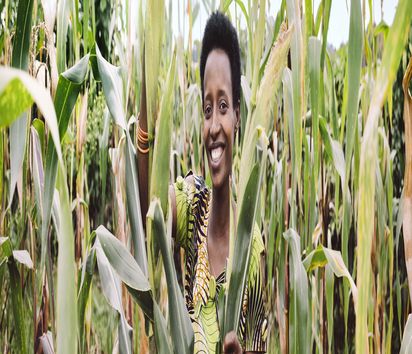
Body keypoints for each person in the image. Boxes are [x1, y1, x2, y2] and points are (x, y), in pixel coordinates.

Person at [138, 11, 267, 354]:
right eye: (207, 109)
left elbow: (258, 346)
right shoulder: (192, 203)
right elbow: (148, 211)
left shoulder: (252, 249)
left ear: (238, 114)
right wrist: (145, 87)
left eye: (223, 106)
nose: (213, 126)